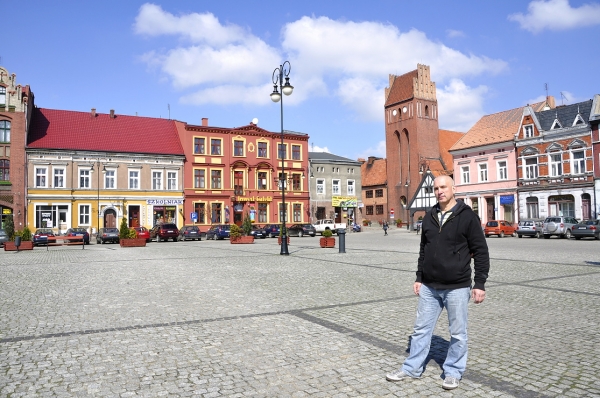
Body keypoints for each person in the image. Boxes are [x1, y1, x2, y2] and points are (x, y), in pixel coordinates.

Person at [386, 175, 489, 390]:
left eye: (443, 187)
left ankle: (453, 371)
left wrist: (479, 283)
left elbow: (480, 251)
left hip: (457, 286)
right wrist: (419, 277)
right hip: (430, 287)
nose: (439, 191)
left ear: (453, 188)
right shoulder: (430, 215)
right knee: (421, 330)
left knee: (458, 333)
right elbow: (424, 248)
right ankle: (412, 367)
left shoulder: (468, 217)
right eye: (436, 188)